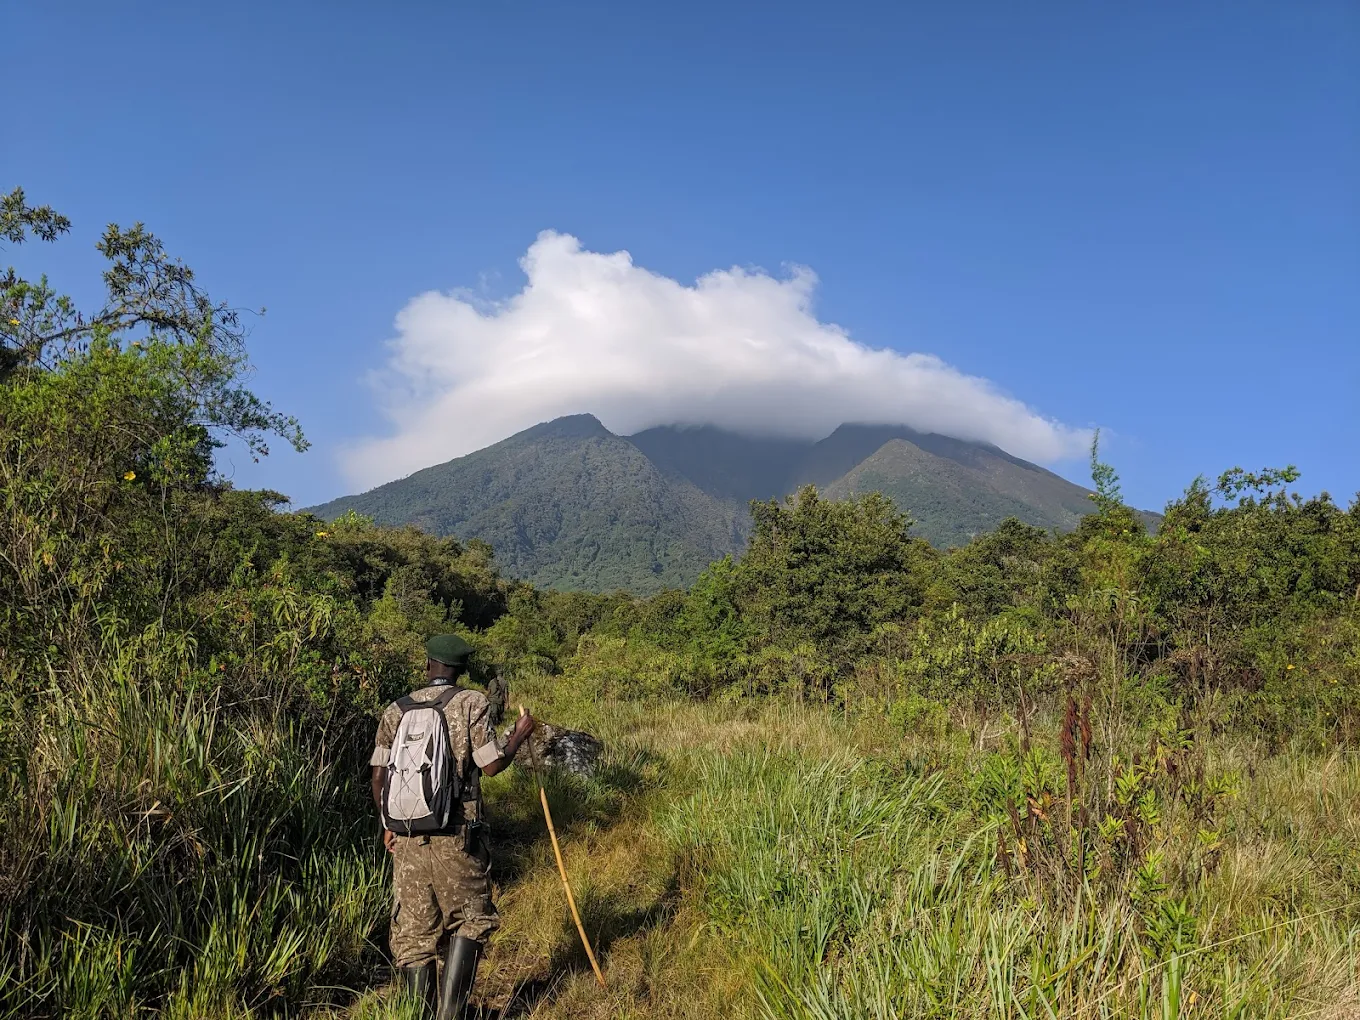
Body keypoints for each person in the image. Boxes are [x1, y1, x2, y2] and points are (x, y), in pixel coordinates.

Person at [370, 634, 535, 1019]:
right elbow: (490, 764)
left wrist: (388, 823)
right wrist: (518, 735)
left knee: (414, 934)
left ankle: (420, 1015)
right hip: (458, 837)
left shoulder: (396, 709)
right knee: (471, 919)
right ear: (461, 669)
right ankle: (451, 1015)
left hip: (406, 836)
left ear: (428, 665)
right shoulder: (471, 702)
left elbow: (378, 775)